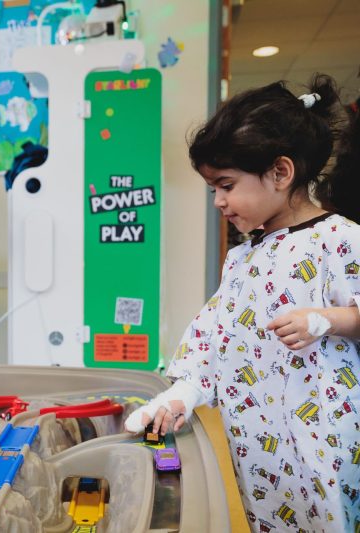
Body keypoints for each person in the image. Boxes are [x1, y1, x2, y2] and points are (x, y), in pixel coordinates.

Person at [125, 75, 360, 531]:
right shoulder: (243, 257)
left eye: (226, 185)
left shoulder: (340, 239)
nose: (218, 201)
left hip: (325, 447)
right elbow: (216, 333)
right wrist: (183, 393)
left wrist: (332, 319)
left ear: (280, 172)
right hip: (260, 452)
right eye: (213, 188)